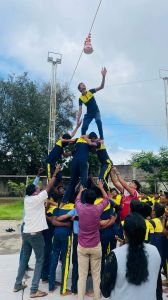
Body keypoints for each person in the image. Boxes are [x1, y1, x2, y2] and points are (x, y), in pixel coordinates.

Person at [13, 165, 60, 298]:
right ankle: (34, 290)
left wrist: (38, 176)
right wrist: (55, 172)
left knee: (24, 259)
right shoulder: (36, 199)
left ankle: (17, 284)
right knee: (40, 259)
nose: (40, 190)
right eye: (38, 189)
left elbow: (36, 187)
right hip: (35, 234)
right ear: (34, 193)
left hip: (26, 233)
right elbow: (49, 187)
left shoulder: (27, 198)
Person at [101, 212, 162, 300]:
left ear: (125, 232)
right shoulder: (155, 251)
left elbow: (105, 291)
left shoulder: (115, 255)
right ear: (144, 231)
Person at [76, 181, 109, 300]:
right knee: (96, 276)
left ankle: (80, 298)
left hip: (82, 246)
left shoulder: (80, 208)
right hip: (95, 245)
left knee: (82, 275)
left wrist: (80, 191)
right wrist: (101, 187)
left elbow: (77, 200)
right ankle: (97, 297)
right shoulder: (98, 208)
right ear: (95, 199)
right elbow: (106, 198)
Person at [62, 132, 97, 203]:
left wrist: (62, 140)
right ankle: (83, 201)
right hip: (82, 161)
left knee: (72, 182)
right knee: (84, 182)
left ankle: (64, 200)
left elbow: (70, 143)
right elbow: (94, 149)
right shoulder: (88, 141)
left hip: (75, 161)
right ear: (91, 137)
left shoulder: (79, 140)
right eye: (93, 139)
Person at [48, 202, 74, 295]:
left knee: (54, 259)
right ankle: (63, 290)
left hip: (56, 234)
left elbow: (54, 222)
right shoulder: (73, 208)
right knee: (65, 261)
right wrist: (66, 225)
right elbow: (71, 224)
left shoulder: (56, 209)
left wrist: (61, 224)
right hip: (66, 236)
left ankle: (51, 286)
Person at [77, 67, 107, 141]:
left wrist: (103, 77)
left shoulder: (90, 91)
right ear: (80, 89)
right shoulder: (80, 98)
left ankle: (101, 138)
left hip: (96, 112)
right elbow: (80, 110)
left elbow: (101, 87)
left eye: (84, 84)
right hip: (89, 114)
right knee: (84, 127)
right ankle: (83, 139)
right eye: (82, 85)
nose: (84, 85)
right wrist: (78, 119)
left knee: (98, 121)